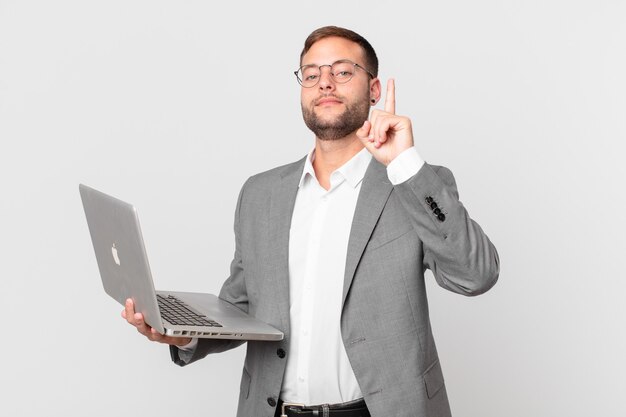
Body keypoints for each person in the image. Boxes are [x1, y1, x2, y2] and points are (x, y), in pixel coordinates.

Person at [122, 25, 499, 417]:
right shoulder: (260, 194)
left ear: (374, 89)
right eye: (312, 74)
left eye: (342, 71)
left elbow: (476, 275)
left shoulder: (413, 185)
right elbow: (240, 306)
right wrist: (178, 333)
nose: (325, 84)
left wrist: (405, 165)